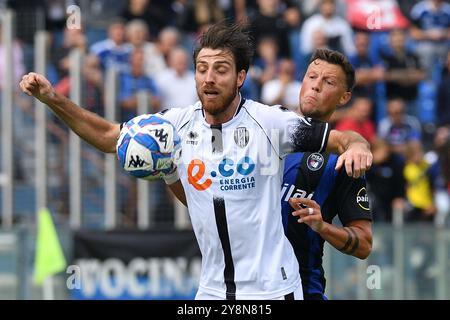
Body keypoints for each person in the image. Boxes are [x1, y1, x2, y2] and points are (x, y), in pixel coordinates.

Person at [20, 22, 372, 300]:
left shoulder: (271, 123)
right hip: (212, 291)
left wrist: (357, 146)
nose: (209, 78)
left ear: (240, 77)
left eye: (220, 69)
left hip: (273, 290)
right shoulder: (174, 127)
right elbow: (110, 136)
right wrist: (53, 100)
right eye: (202, 69)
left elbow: (342, 138)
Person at [282, 49, 373, 300]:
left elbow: (364, 244)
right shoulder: (264, 134)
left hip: (301, 289)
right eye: (311, 77)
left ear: (344, 97)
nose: (316, 86)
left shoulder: (342, 162)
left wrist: (323, 227)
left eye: (328, 82)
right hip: (241, 289)